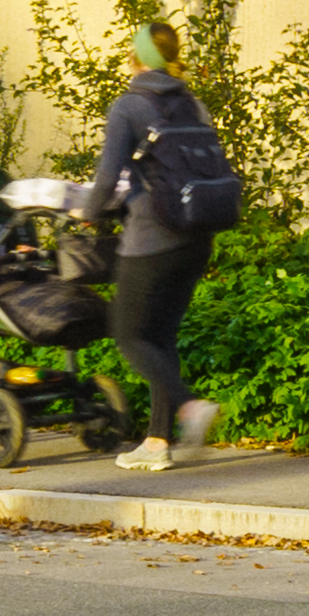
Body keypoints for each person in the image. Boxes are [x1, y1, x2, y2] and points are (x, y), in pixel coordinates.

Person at [90, 46, 243, 472]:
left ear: (136, 59)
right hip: (198, 233)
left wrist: (87, 214)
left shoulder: (130, 104)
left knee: (128, 334)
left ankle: (188, 406)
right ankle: (157, 443)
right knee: (161, 337)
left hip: (152, 239)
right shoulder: (192, 103)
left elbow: (108, 175)